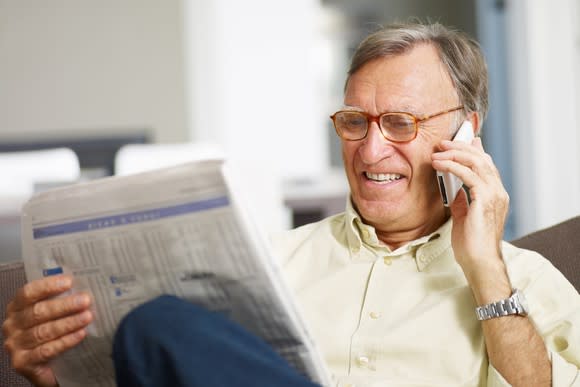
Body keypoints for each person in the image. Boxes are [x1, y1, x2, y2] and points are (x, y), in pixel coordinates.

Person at [3, 21, 579, 387]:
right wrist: (55, 375)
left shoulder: (523, 278)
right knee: (157, 326)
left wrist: (485, 272)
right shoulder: (265, 261)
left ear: (464, 134)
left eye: (400, 123)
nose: (370, 147)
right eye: (355, 121)